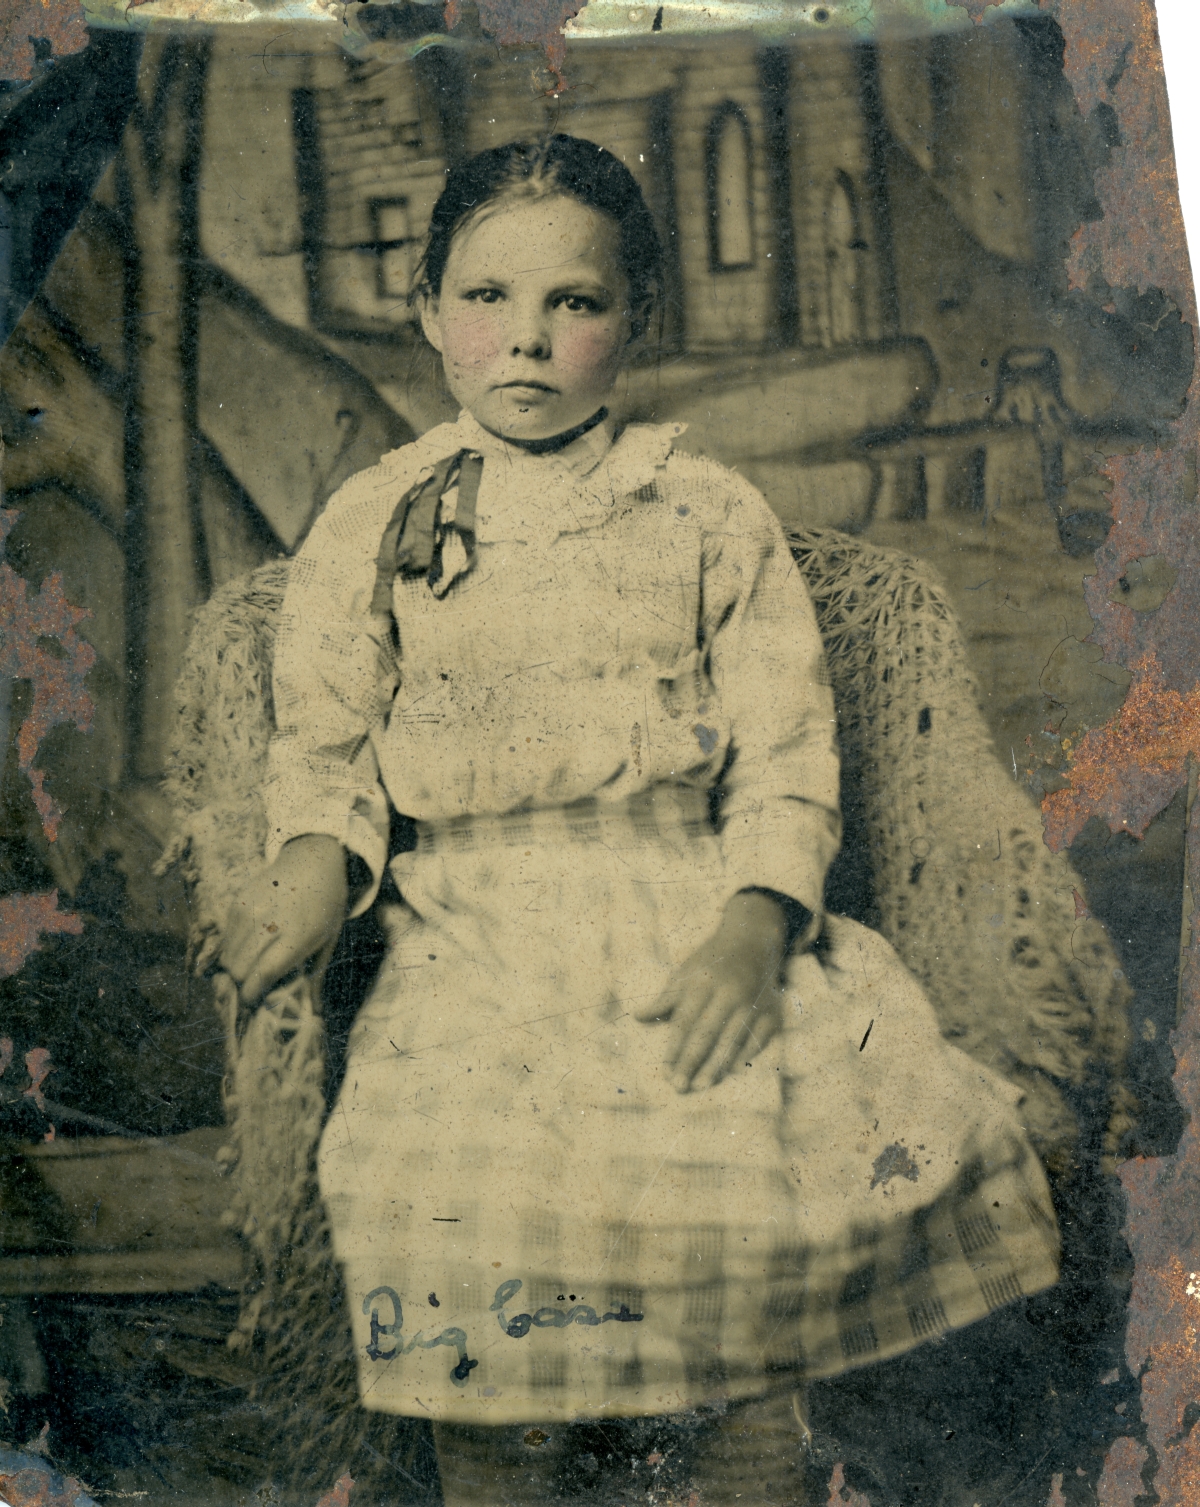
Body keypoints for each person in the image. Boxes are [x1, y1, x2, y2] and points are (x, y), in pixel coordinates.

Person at [221, 135, 1060, 1506]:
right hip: (470, 941)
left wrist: (752, 921)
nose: (529, 343)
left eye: (577, 304)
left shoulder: (705, 513)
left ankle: (745, 1468)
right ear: (427, 309)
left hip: (679, 910)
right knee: (457, 1199)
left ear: (638, 320)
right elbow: (324, 745)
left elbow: (789, 752)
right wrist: (317, 862)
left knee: (734, 1189)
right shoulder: (375, 520)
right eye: (489, 299)